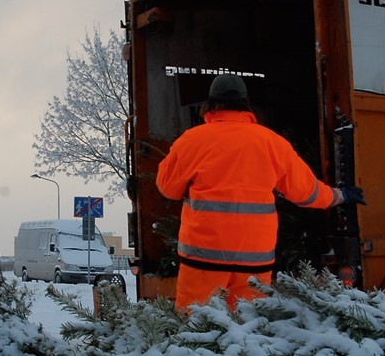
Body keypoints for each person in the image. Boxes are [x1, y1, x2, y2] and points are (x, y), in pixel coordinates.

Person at [156, 73, 364, 311]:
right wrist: (340, 195)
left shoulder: (192, 141)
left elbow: (167, 188)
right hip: (254, 259)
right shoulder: (271, 143)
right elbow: (306, 193)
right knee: (248, 330)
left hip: (202, 258)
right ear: (246, 104)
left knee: (196, 328)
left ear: (210, 105)